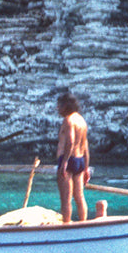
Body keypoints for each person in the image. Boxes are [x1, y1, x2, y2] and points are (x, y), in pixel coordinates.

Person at [55, 91, 90, 222]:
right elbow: (85, 145)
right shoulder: (82, 121)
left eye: (59, 105)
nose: (57, 108)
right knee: (79, 196)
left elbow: (70, 141)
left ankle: (67, 226)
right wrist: (86, 167)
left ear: (66, 105)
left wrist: (64, 162)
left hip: (68, 160)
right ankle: (83, 223)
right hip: (80, 160)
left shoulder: (69, 120)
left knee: (66, 198)